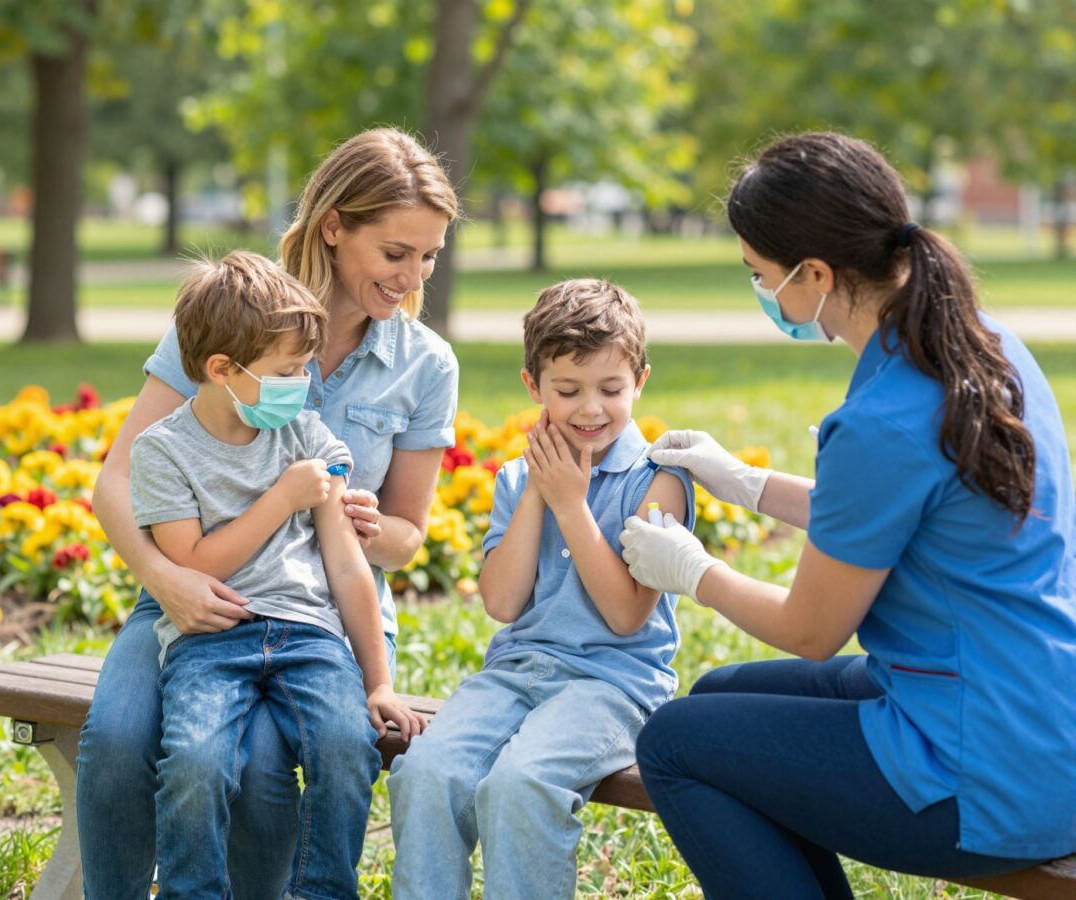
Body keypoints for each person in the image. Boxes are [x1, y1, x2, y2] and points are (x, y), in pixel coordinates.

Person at [620, 131, 1076, 899]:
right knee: (719, 699)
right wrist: (747, 482)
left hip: (990, 779)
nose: (764, 293)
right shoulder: (987, 350)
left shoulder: (883, 419)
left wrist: (695, 574)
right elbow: (902, 512)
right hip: (1037, 712)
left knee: (672, 741)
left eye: (760, 275)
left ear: (817, 274)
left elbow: (810, 629)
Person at [78, 128, 460, 900]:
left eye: (428, 256)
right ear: (334, 226)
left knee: (256, 765)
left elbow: (406, 539)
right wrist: (166, 578)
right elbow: (117, 478)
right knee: (116, 739)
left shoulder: (426, 364)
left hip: (326, 609)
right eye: (395, 253)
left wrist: (362, 524)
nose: (412, 275)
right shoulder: (230, 316)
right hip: (197, 593)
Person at [129, 250, 424, 897]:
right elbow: (195, 564)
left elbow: (348, 567)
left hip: (311, 638)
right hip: (211, 642)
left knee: (348, 750)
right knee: (196, 766)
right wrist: (281, 500)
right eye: (286, 371)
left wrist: (378, 683)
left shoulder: (308, 438)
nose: (302, 384)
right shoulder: (163, 451)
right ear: (221, 370)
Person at [388, 278, 695, 899]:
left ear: (640, 381)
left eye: (611, 390)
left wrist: (571, 505)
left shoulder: (658, 482)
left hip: (613, 685)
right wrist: (537, 490)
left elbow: (624, 617)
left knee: (520, 784)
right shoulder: (517, 478)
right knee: (425, 770)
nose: (590, 409)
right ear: (534, 386)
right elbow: (501, 604)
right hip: (515, 674)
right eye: (568, 390)